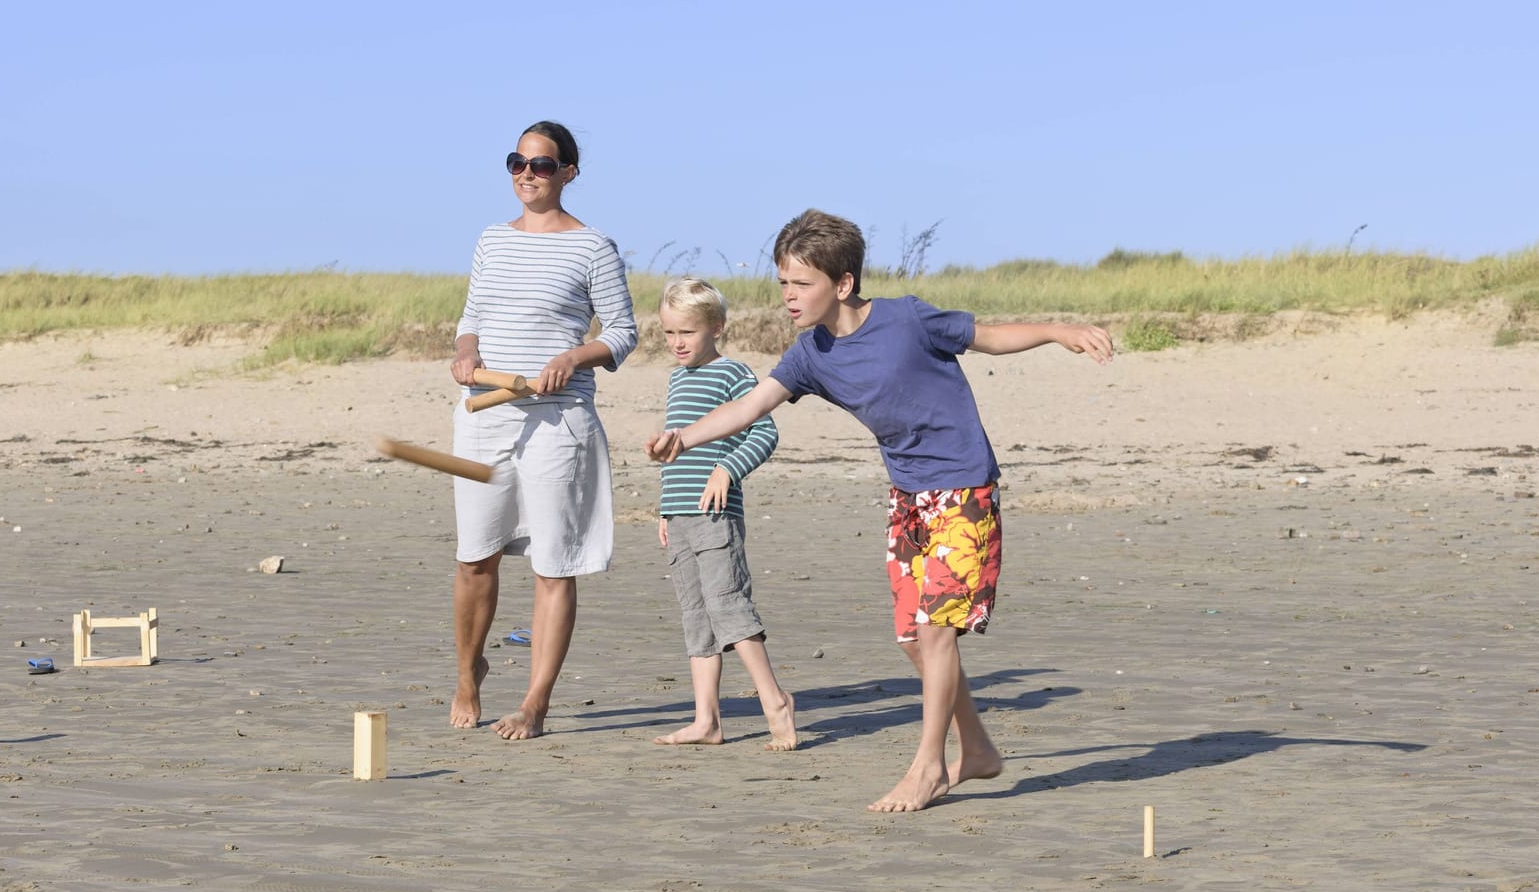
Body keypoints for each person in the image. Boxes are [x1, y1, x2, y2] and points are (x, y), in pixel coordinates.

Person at [647, 210, 1114, 810]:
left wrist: (1056, 330)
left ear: (842, 284)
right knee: (911, 640)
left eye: (802, 283)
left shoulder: (907, 318)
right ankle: (975, 749)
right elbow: (750, 408)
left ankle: (928, 768)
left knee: (936, 635)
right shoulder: (809, 354)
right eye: (784, 283)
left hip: (963, 489)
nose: (789, 296)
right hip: (908, 499)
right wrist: (684, 439)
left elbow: (989, 336)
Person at [449, 121, 637, 739]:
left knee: (553, 566)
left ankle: (535, 701)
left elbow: (623, 333)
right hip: (485, 414)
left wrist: (573, 357)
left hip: (559, 422)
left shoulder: (593, 247)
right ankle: (468, 676)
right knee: (476, 559)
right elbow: (472, 316)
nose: (528, 175)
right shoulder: (490, 240)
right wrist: (465, 353)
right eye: (517, 163)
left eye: (543, 165)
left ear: (569, 174)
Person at [651, 276, 798, 750]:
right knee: (696, 616)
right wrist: (664, 509)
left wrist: (726, 471)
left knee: (728, 606)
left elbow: (764, 434)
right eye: (669, 332)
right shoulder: (677, 379)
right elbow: (678, 451)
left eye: (686, 332)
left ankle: (774, 700)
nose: (676, 343)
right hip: (680, 516)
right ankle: (706, 720)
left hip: (716, 515)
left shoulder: (733, 374)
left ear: (715, 327)